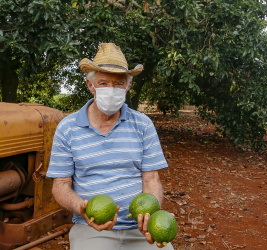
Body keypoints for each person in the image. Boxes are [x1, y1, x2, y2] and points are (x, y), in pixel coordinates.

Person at [46, 43, 174, 250]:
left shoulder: (143, 125)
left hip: (139, 226)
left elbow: (151, 178)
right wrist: (81, 207)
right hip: (91, 227)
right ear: (91, 85)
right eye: (103, 83)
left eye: (118, 83)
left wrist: (151, 216)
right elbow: (60, 185)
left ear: (128, 86)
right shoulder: (67, 128)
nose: (111, 90)